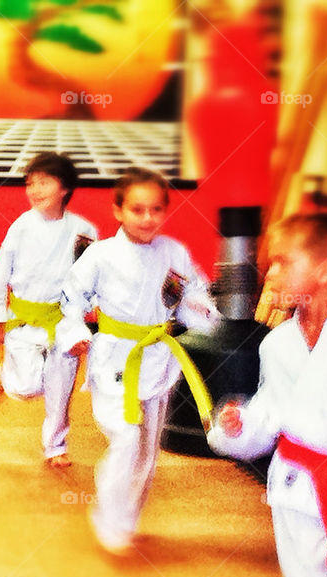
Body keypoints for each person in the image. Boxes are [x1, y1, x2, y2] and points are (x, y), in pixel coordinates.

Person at [207, 213, 327, 577]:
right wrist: (237, 426)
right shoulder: (277, 344)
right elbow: (272, 413)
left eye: (284, 263)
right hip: (298, 487)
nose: (270, 276)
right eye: (269, 266)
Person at [59, 167, 219, 554]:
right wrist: (77, 333)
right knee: (127, 438)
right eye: (137, 209)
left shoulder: (174, 253)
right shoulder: (100, 255)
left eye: (156, 210)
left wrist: (202, 311)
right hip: (115, 357)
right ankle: (108, 519)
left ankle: (126, 519)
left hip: (159, 357)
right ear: (118, 210)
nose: (147, 218)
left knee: (147, 450)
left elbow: (193, 296)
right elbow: (71, 300)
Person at [0, 152, 98, 467]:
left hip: (64, 318)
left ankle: (55, 446)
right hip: (24, 319)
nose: (35, 190)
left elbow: (90, 274)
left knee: (60, 388)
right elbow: (1, 270)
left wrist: (92, 313)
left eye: (44, 182)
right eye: (30, 183)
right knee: (27, 386)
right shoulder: (21, 226)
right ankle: (7, 377)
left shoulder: (83, 230)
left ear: (65, 188)